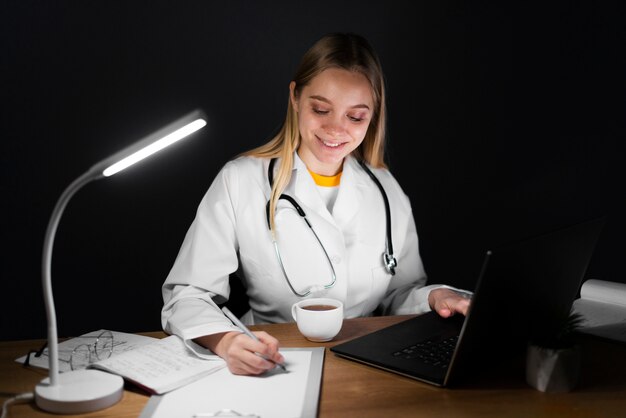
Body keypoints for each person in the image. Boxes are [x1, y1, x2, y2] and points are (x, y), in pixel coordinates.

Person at [161, 32, 471, 376]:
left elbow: (401, 293)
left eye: (355, 117)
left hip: (368, 368)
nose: (335, 129)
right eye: (321, 109)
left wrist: (434, 297)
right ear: (295, 97)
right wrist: (226, 341)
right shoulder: (241, 180)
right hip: (275, 363)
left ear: (373, 116)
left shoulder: (386, 188)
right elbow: (188, 295)